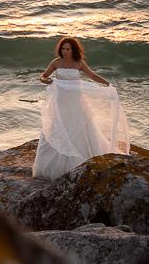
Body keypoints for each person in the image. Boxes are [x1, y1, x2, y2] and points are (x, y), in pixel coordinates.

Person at [32, 37, 130, 180]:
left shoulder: (79, 63)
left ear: (74, 50)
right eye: (63, 49)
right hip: (60, 101)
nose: (65, 52)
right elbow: (43, 76)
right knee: (58, 126)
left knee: (80, 126)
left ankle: (81, 160)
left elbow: (92, 75)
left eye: (68, 49)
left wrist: (107, 84)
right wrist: (46, 80)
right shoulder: (56, 62)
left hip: (76, 101)